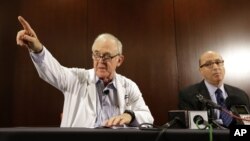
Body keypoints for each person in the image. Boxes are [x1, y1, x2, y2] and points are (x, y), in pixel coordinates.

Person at [16, 16, 154, 128]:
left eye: (106, 56)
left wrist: (129, 115)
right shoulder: (77, 78)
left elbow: (147, 117)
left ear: (119, 60)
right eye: (96, 54)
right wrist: (37, 49)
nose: (100, 60)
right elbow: (53, 71)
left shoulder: (129, 86)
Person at [178, 50, 250, 127]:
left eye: (218, 62)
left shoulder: (241, 95)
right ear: (201, 71)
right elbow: (192, 129)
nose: (216, 67)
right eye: (208, 64)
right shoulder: (188, 95)